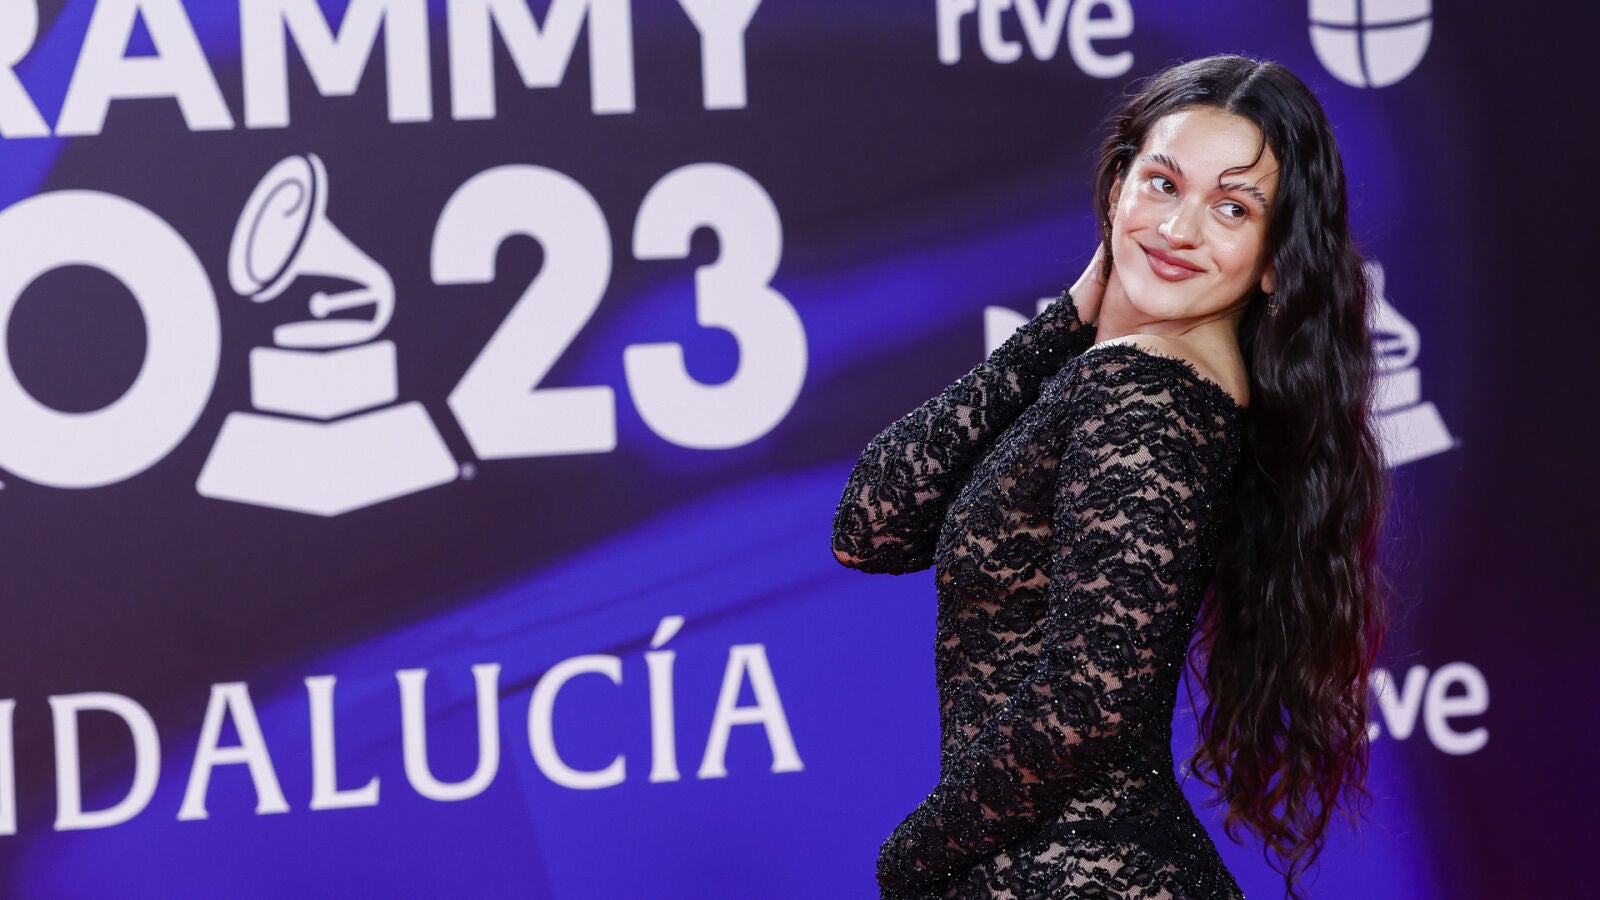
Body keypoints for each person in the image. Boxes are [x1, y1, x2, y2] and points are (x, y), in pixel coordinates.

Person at [831, 55, 1385, 899]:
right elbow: (872, 527)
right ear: (1117, 186)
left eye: (1232, 208)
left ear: (1275, 258)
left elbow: (1090, 697)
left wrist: (914, 856)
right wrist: (1075, 310)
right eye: (1162, 184)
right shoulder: (1157, 378)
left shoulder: (1146, 387)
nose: (1179, 229)